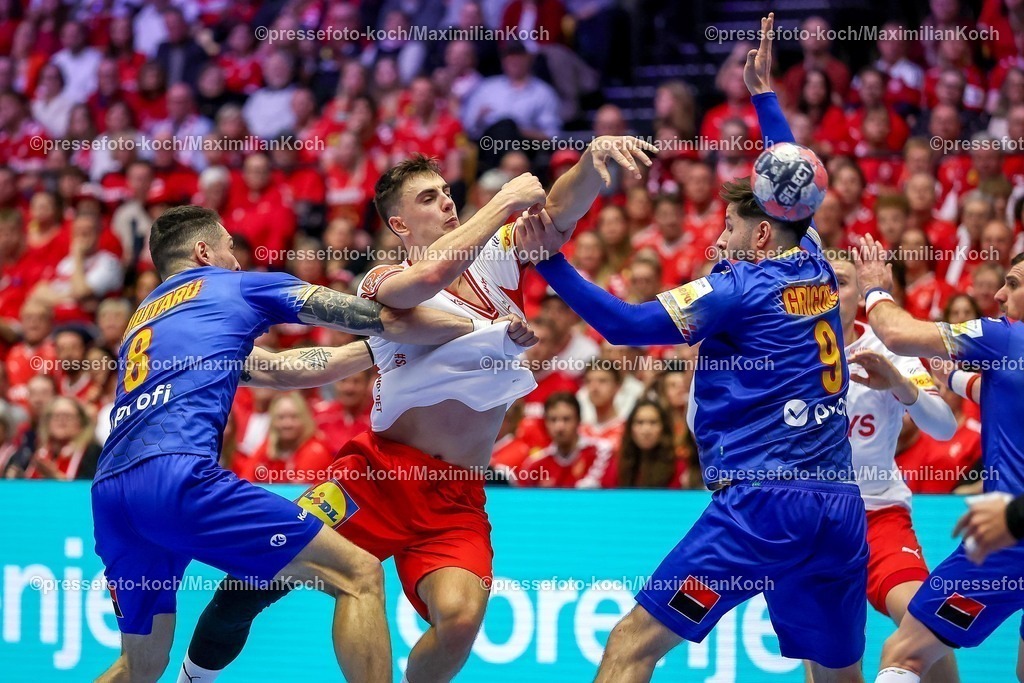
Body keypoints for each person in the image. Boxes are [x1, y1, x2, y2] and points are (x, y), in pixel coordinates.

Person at [178, 139, 653, 683]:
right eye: (429, 198)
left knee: (460, 621)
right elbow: (412, 292)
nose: (447, 202)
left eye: (447, 192)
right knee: (251, 584)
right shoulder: (380, 283)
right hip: (376, 479)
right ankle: (193, 677)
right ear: (399, 224)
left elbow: (560, 211)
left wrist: (591, 161)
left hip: (456, 495)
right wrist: (502, 203)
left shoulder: (496, 259)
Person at [517, 15, 868, 681]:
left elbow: (625, 325)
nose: (720, 238)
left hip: (762, 508)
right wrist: (764, 96)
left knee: (631, 644)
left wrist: (550, 263)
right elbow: (794, 181)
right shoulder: (818, 259)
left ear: (760, 235)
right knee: (837, 674)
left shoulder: (738, 287)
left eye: (729, 226)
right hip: (839, 507)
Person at [92, 204, 508, 683]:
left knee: (139, 667)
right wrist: (482, 331)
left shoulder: (144, 321)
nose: (237, 261)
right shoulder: (235, 286)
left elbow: (279, 369)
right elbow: (379, 318)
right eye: (230, 249)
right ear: (204, 252)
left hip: (110, 495)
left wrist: (371, 352)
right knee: (358, 575)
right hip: (177, 477)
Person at [854, 237, 1024, 682]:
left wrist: (875, 288)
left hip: (1010, 540)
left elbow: (896, 333)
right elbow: (1003, 393)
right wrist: (957, 379)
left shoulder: (1003, 335)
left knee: (904, 653)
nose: (999, 295)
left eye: (1012, 284)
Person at [818, 252, 960, 683]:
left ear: (860, 295)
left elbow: (944, 427)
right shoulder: (787, 355)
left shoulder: (887, 349)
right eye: (820, 282)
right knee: (828, 665)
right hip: (813, 522)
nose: (829, 291)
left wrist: (898, 384)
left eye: (842, 282)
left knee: (926, 619)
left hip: (879, 516)